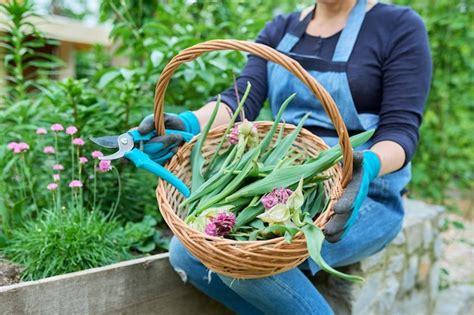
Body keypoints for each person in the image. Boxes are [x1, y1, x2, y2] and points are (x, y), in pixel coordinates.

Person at [138, 0, 432, 313]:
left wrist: (367, 166)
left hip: (362, 193)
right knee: (186, 255)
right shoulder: (282, 29)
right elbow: (240, 100)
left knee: (249, 261)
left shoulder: (398, 26)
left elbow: (400, 131)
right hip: (287, 183)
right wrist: (188, 123)